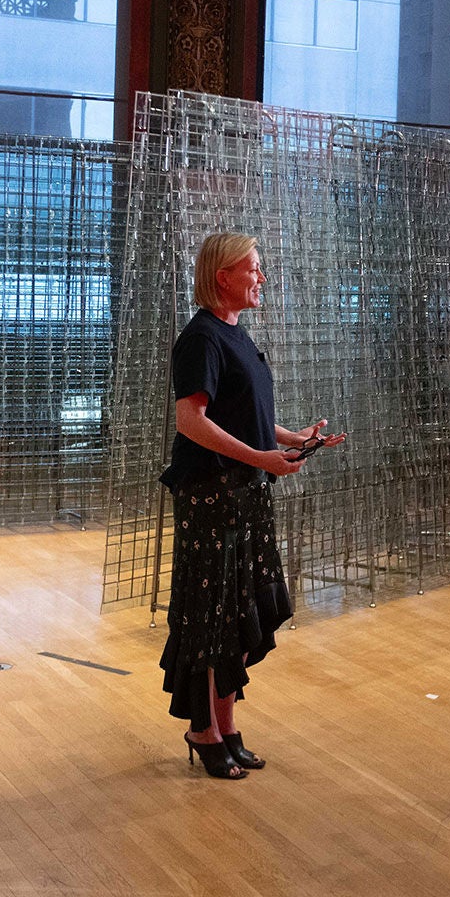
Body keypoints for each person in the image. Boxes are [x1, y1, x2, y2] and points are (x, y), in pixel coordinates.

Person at [158, 233, 343, 780]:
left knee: (242, 613)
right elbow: (191, 422)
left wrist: (292, 438)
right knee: (212, 615)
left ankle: (227, 726)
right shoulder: (201, 339)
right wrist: (262, 458)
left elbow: (246, 419)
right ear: (224, 277)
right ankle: (202, 729)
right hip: (212, 495)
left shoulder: (235, 334)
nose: (262, 279)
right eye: (254, 270)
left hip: (244, 493)